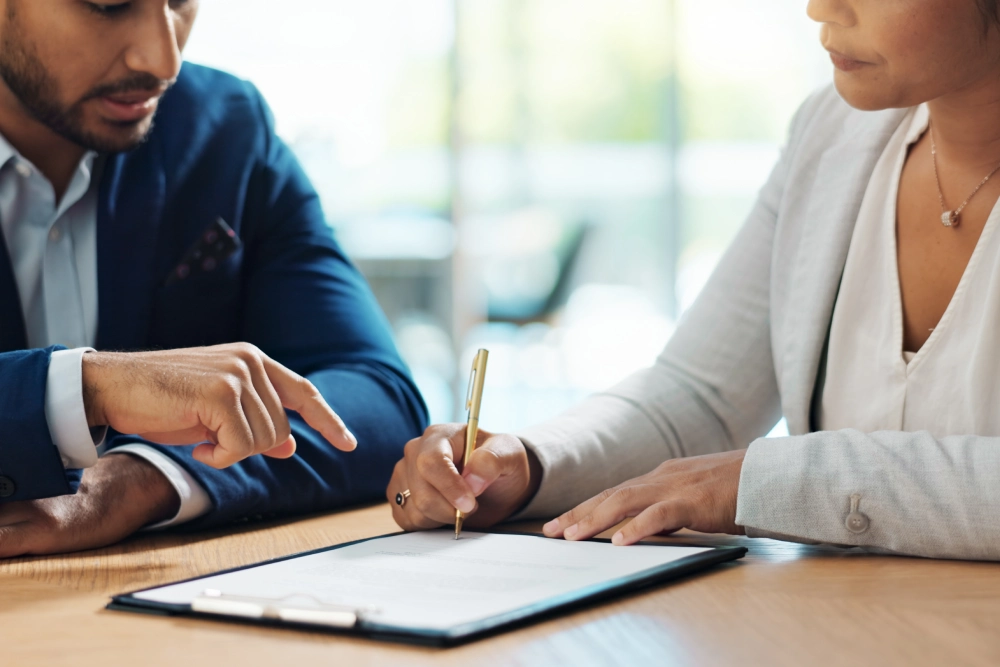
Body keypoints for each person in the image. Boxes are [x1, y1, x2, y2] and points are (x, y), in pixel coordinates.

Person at [388, 0, 1000, 561]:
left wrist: (771, 481)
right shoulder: (833, 134)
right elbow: (702, 398)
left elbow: (746, 467)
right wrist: (526, 464)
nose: (820, 8)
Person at [0, 0, 427, 557]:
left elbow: (377, 402)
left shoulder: (225, 126)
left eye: (180, 2)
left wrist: (138, 480)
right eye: (108, 5)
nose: (163, 58)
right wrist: (87, 388)